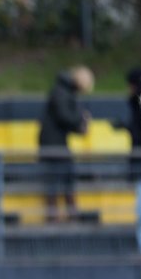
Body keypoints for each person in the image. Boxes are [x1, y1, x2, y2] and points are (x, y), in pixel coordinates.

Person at [38, 66, 93, 223]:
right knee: (59, 177)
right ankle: (58, 213)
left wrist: (78, 123)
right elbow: (65, 116)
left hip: (54, 142)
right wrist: (81, 119)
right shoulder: (61, 92)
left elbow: (64, 118)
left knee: (65, 175)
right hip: (53, 144)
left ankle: (65, 211)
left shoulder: (61, 91)